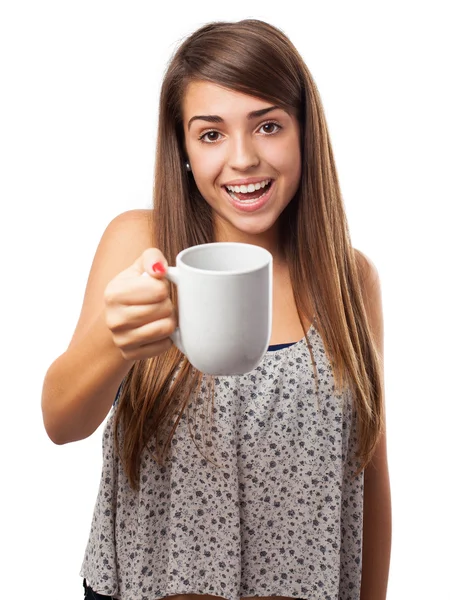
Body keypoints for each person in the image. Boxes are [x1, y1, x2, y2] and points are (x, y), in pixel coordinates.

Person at [41, 19, 391, 600]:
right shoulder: (142, 244)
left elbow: (368, 475)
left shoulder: (350, 279)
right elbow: (59, 421)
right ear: (182, 147)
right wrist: (118, 341)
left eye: (269, 126)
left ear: (305, 133)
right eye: (211, 134)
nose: (244, 158)